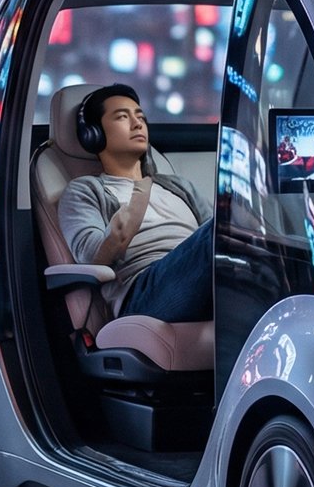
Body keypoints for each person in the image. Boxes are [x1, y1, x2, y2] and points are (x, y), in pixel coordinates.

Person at [57, 83, 212, 322]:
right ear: (94, 133)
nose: (137, 123)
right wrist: (136, 199)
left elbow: (223, 236)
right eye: (121, 116)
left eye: (140, 117)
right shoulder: (85, 190)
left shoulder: (179, 186)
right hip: (143, 293)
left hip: (196, 276)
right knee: (222, 233)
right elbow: (92, 257)